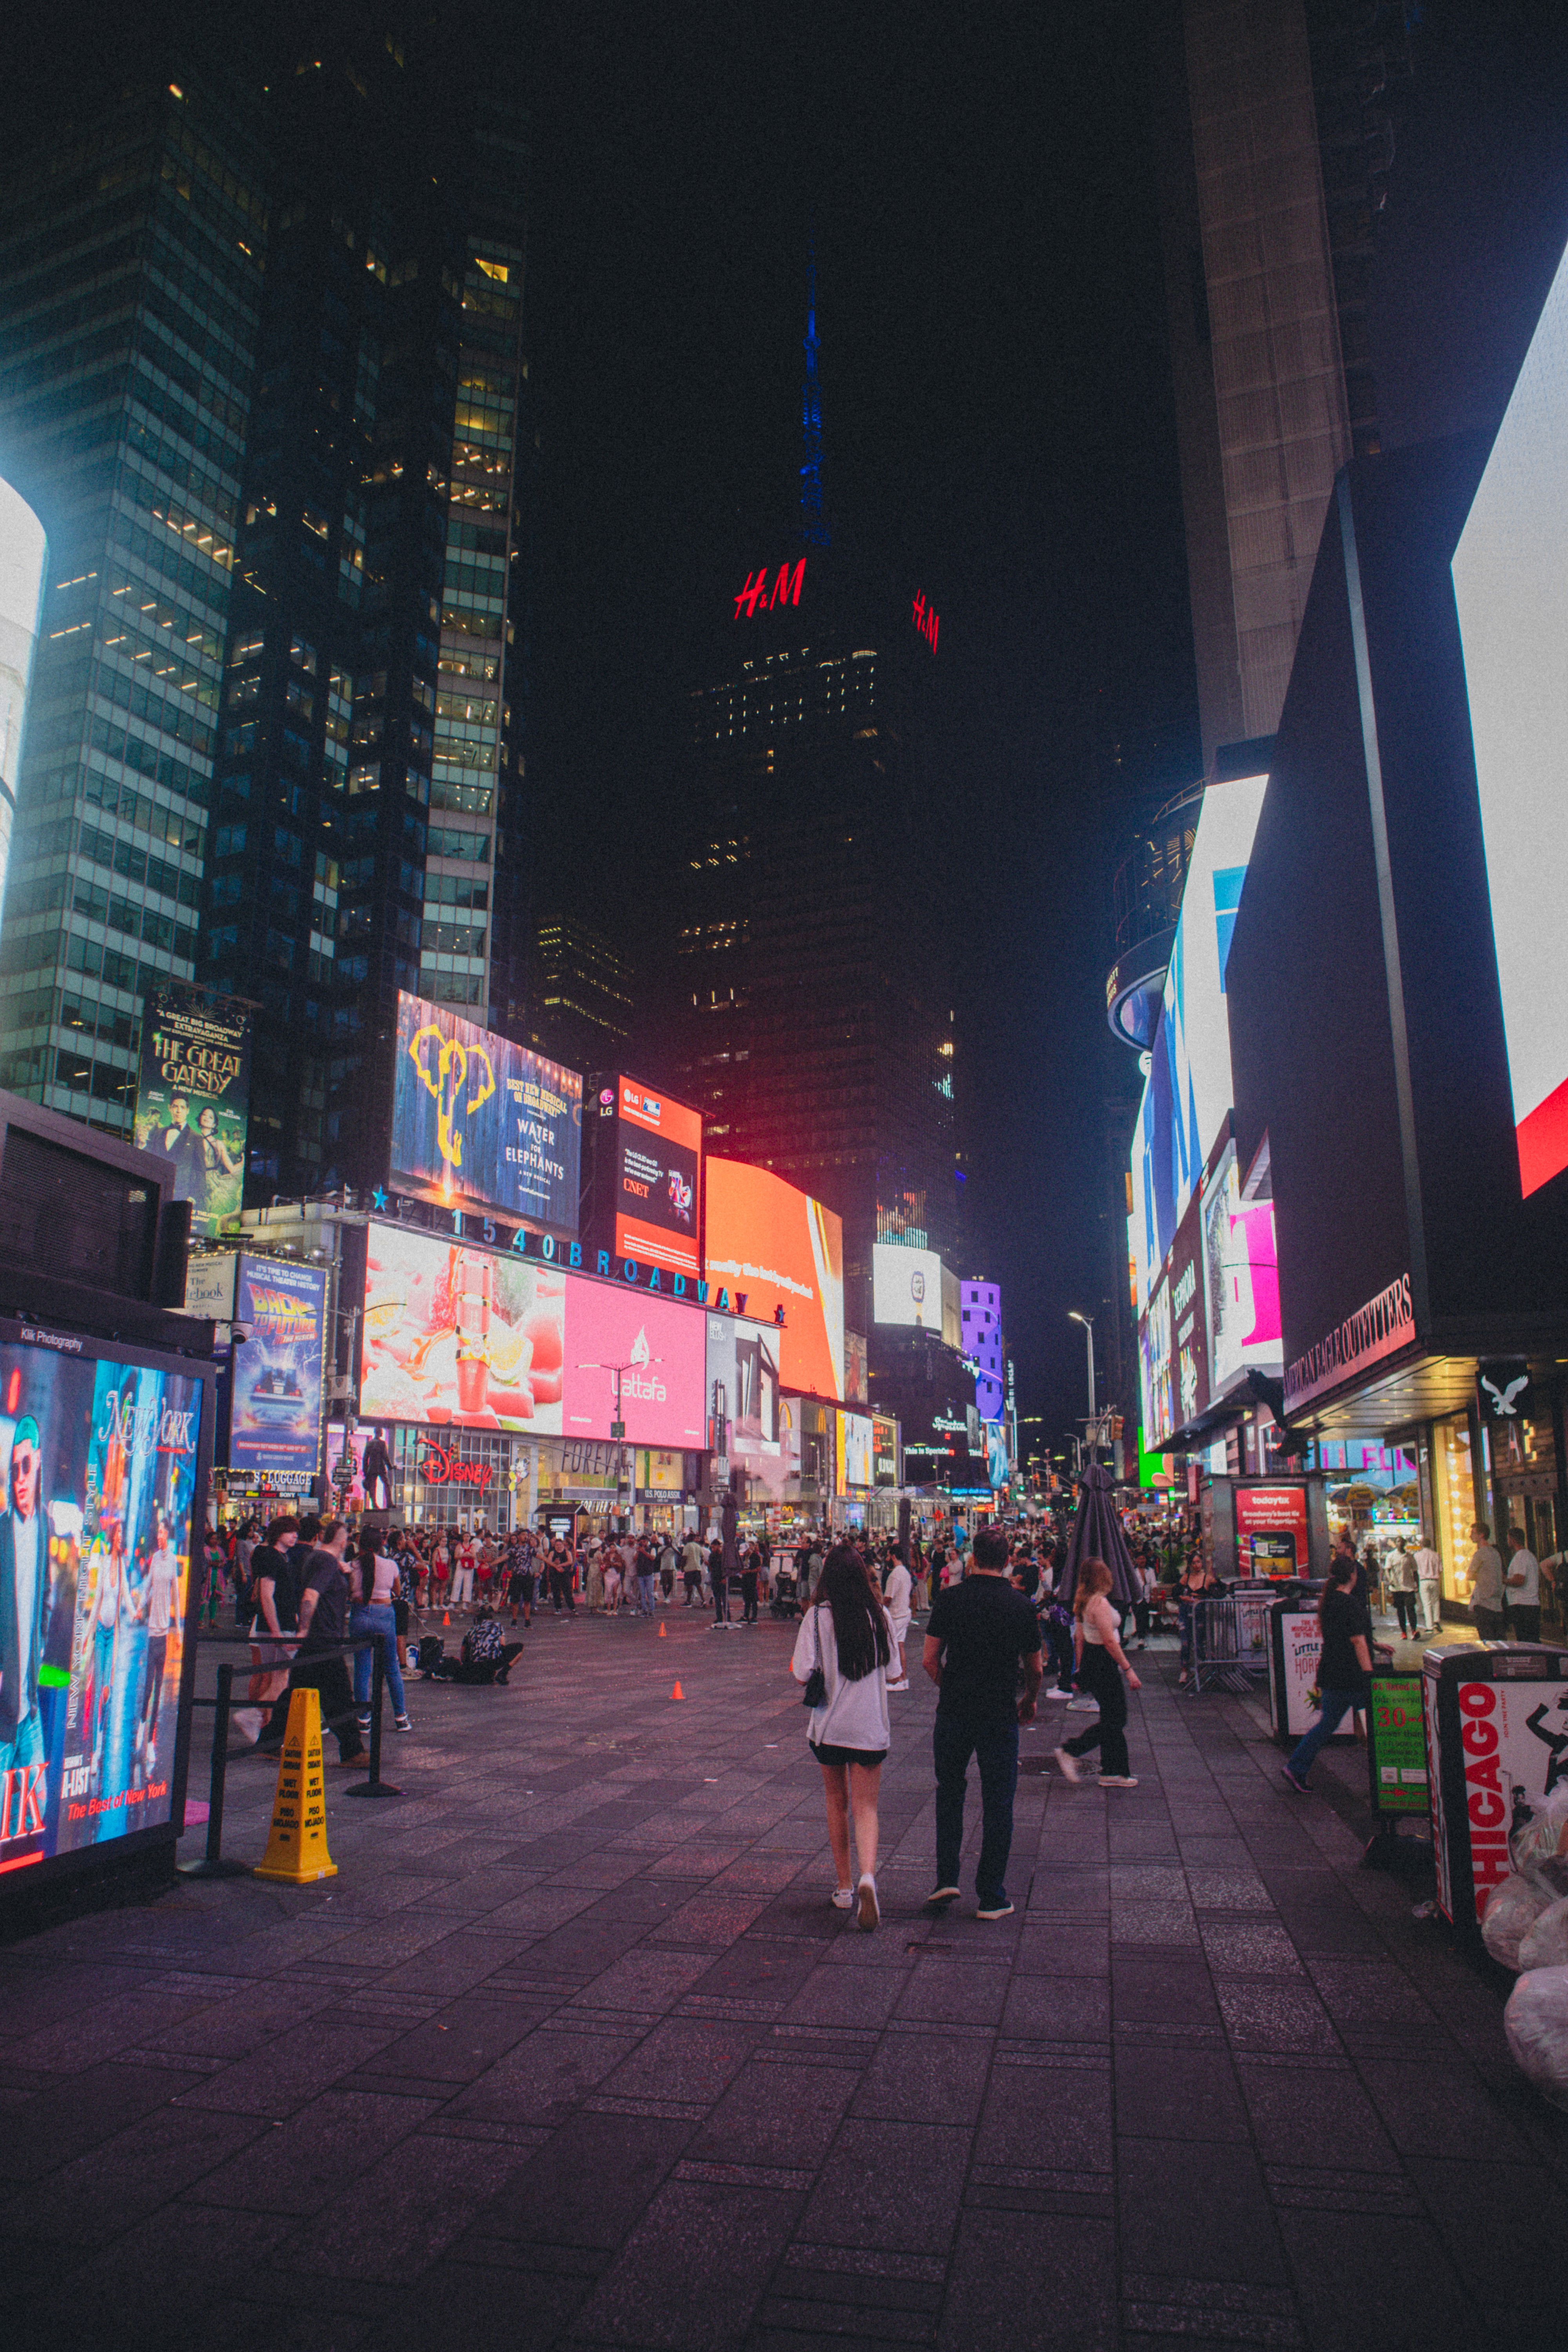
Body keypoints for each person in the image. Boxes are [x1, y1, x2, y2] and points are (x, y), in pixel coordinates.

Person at [922, 1524, 1043, 1920]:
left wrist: (950, 1685)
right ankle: (991, 1895)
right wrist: (1029, 1699)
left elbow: (928, 1659)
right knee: (998, 1801)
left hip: (954, 1710)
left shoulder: (950, 1599)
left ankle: (945, 1879)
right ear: (1008, 1562)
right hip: (998, 1711)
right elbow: (1036, 1667)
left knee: (950, 1791)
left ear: (973, 1558)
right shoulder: (1021, 1606)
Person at [792, 1544, 892, 1929]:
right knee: (867, 1807)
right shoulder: (878, 1615)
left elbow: (802, 1673)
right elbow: (896, 1671)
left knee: (837, 1803)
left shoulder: (816, 1617)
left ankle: (845, 1886)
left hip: (829, 1728)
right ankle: (868, 1875)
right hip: (869, 1728)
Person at [257, 1521, 366, 1765]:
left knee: (295, 1692)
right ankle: (353, 1751)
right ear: (343, 1542)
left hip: (318, 1638)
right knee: (340, 1696)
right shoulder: (326, 1562)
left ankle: (270, 1741)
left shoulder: (315, 1558)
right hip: (323, 1638)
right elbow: (311, 1595)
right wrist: (304, 1630)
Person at [1281, 1546, 1372, 1791]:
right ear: (1353, 1576)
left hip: (1331, 1672)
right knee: (1376, 1725)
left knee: (1327, 1724)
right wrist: (1370, 1675)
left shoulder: (1329, 1601)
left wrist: (1376, 1644)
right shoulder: (1350, 1604)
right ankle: (1386, 1780)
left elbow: (1345, 1636)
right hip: (1352, 1676)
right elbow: (1357, 1641)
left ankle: (1296, 1767)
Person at [1054, 1559, 1142, 1788]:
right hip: (1104, 1662)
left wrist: (1081, 1668)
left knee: (1111, 1718)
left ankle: (1114, 1771)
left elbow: (1079, 1638)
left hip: (1093, 1661)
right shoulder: (1100, 1604)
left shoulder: (1083, 1602)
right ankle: (1071, 1750)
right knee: (1117, 1718)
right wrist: (1129, 1670)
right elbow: (1111, 1642)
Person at [0, 1415, 48, 1780]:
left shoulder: (44, 1527)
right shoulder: (2, 1531)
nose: (19, 1479)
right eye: (14, 1469)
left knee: (38, 1815)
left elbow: (44, 1601)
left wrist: (40, 1659)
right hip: (3, 1713)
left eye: (26, 1466)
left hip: (29, 1706)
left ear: (39, 1462)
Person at [350, 1536, 412, 1733]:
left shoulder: (353, 1565)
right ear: (381, 1546)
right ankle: (401, 1717)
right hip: (384, 1614)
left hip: (360, 1613)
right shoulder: (390, 1565)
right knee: (392, 1668)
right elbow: (398, 1590)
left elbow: (350, 1590)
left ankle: (363, 1719)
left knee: (362, 1669)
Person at [136, 1514, 183, 1773]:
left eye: (163, 1532)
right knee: (147, 1688)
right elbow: (148, 1589)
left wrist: (179, 1630)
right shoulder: (155, 1559)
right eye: (159, 1532)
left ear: (169, 1535)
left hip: (164, 1632)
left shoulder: (172, 1560)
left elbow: (176, 1593)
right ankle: (142, 1733)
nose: (160, 1535)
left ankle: (150, 1742)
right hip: (151, 1630)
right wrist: (139, 1608)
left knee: (157, 1686)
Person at [1466, 1520, 1505, 1640]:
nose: (1471, 1536)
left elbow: (1470, 1575)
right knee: (1498, 1639)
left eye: (1473, 1533)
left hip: (1483, 1602)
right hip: (1497, 1603)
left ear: (1481, 1535)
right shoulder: (1496, 1553)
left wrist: (1481, 1577)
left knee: (1486, 1639)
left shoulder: (1480, 1554)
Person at [884, 1544, 913, 1691]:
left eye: (888, 1556)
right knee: (900, 1647)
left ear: (894, 1557)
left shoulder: (895, 1575)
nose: (887, 1559)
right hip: (904, 1613)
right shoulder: (905, 1573)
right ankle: (903, 1678)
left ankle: (897, 1680)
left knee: (893, 1648)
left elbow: (888, 1598)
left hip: (896, 1615)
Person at [1505, 1526, 1542, 1642]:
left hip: (1523, 1605)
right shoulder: (1530, 1556)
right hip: (1530, 1604)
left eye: (1508, 1539)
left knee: (1525, 1640)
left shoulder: (1521, 1557)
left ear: (1513, 1540)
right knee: (1532, 1639)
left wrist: (1504, 1580)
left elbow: (1519, 1580)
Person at [1383, 1537, 1418, 1637]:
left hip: (1408, 1586)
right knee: (1400, 1610)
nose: (1400, 1543)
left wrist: (1417, 1584)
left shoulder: (1410, 1557)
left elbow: (1415, 1571)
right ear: (1395, 1543)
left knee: (1411, 1608)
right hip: (1397, 1588)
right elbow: (1387, 1569)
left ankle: (1414, 1630)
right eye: (1398, 1542)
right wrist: (1390, 1580)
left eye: (1402, 1542)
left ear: (1405, 1544)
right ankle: (1403, 1632)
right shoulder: (1391, 1556)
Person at [1413, 1529, 1443, 1633]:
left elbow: (1415, 1570)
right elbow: (1440, 1570)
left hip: (1424, 1581)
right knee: (1436, 1602)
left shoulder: (1417, 1556)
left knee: (1427, 1604)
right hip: (1435, 1580)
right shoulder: (1436, 1555)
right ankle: (1436, 1622)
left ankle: (1429, 1626)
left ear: (1421, 1545)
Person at [709, 1535, 730, 1627]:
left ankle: (728, 1618)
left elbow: (727, 1569)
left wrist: (725, 1579)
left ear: (719, 1546)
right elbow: (711, 1568)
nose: (713, 1549)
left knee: (725, 1600)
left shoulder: (724, 1556)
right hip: (715, 1580)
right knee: (717, 1600)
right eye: (712, 1547)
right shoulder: (712, 1556)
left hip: (722, 1580)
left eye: (714, 1547)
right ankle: (719, 1618)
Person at [635, 1536, 658, 1619]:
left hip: (649, 1574)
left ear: (647, 1542)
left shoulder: (652, 1549)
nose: (643, 1543)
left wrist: (644, 1552)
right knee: (642, 1594)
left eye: (644, 1542)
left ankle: (652, 1610)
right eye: (641, 1542)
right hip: (640, 1574)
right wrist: (638, 1552)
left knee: (650, 1593)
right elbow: (635, 1559)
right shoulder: (638, 1550)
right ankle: (644, 1610)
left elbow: (652, 1558)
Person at [740, 1541, 761, 1625]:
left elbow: (759, 1569)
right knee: (746, 1599)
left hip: (752, 1580)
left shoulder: (755, 1556)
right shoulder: (745, 1557)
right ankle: (746, 1616)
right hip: (745, 1580)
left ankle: (754, 1617)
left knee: (753, 1599)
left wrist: (749, 1571)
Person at [682, 1531, 704, 1606]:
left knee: (689, 1585)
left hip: (689, 1568)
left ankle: (688, 1601)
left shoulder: (687, 1546)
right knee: (698, 1585)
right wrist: (698, 1564)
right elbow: (702, 1558)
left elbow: (685, 1557)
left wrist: (682, 1567)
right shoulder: (698, 1546)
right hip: (697, 1568)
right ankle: (703, 1600)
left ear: (689, 1539)